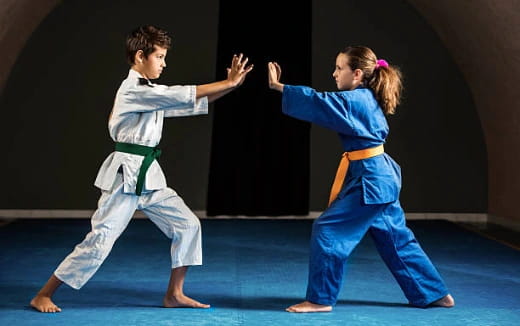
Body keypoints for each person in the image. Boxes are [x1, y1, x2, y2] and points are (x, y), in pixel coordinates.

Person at [30, 25, 253, 313]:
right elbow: (182, 93)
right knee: (101, 239)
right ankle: (44, 294)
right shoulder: (134, 90)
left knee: (187, 225)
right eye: (159, 57)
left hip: (148, 175)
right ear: (140, 56)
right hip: (125, 176)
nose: (164, 63)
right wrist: (228, 82)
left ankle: (174, 293)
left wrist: (229, 86)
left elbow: (192, 101)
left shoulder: (150, 93)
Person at [267, 45, 454, 313]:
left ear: (356, 74)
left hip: (371, 179)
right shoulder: (365, 98)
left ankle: (319, 299)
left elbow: (319, 101)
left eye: (339, 68)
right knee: (396, 239)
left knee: (328, 230)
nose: (334, 74)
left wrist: (279, 86)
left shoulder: (357, 99)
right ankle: (435, 293)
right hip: (379, 176)